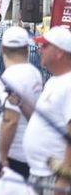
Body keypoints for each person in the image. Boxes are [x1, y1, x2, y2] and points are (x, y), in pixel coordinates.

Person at [0, 26, 43, 180]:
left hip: (11, 157)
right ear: (27, 48)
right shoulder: (31, 72)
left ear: (2, 48)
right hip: (18, 153)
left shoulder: (16, 76)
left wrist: (2, 158)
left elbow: (10, 121)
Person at [24, 26, 71, 194]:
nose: (39, 49)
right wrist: (22, 104)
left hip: (54, 178)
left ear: (59, 52)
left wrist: (64, 181)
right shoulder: (54, 81)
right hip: (40, 174)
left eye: (45, 46)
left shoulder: (68, 84)